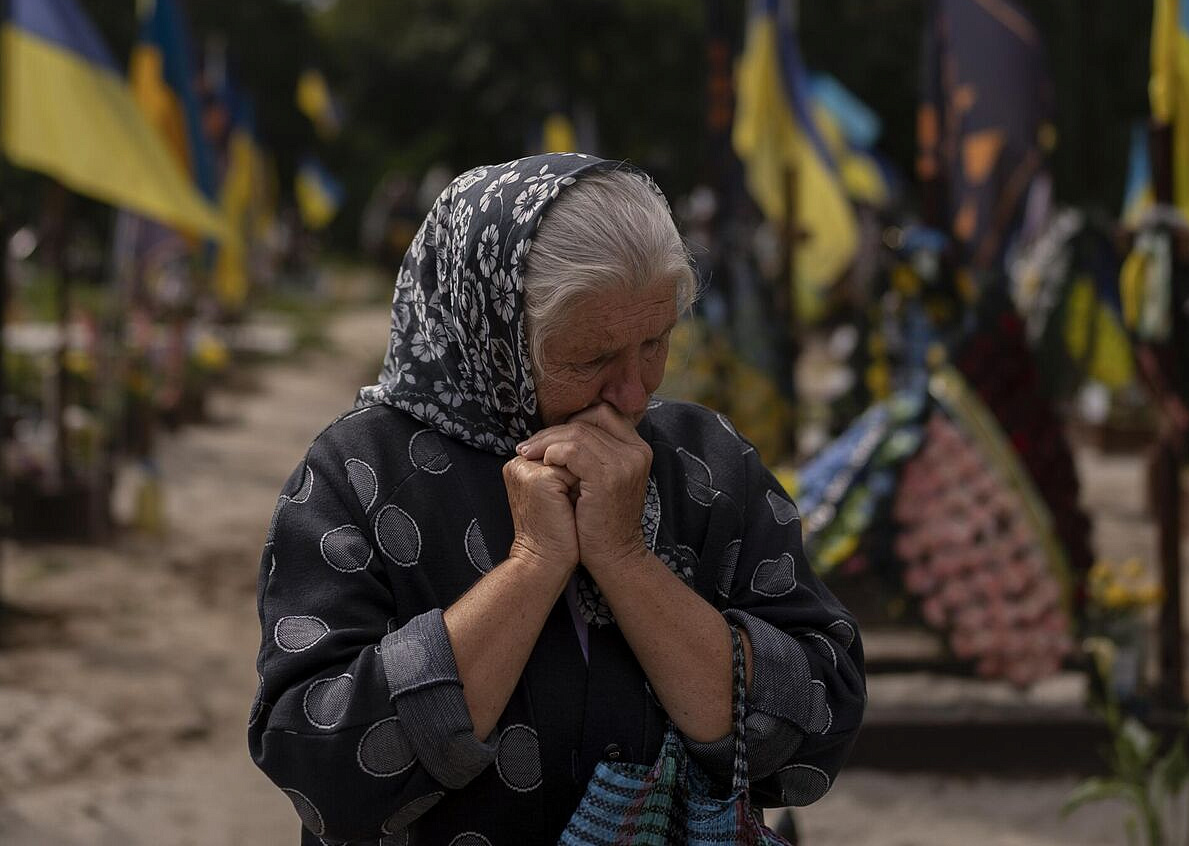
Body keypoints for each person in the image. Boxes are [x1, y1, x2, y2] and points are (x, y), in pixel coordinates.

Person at [250, 154, 864, 844]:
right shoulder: (361, 474)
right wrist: (535, 564)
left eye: (655, 343)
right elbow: (320, 763)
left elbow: (818, 730)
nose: (633, 394)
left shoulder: (708, 465)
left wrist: (627, 560)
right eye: (590, 359)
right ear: (494, 337)